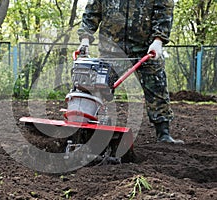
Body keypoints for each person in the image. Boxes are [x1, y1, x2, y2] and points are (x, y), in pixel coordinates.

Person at [77, 0, 184, 144]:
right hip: (111, 48)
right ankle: (88, 129)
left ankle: (163, 133)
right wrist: (85, 39)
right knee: (99, 87)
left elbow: (164, 10)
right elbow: (92, 11)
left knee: (157, 87)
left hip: (146, 48)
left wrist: (159, 39)